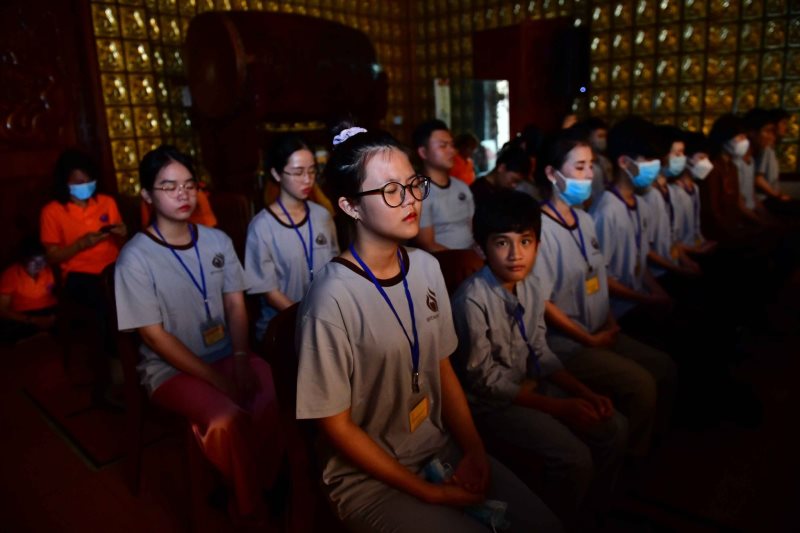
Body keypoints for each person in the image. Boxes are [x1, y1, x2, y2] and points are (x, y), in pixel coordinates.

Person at [295, 125, 561, 533]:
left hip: (436, 447)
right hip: (369, 481)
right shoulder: (330, 297)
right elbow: (336, 426)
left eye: (413, 185)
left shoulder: (426, 267)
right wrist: (429, 493)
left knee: (545, 523)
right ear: (350, 206)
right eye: (391, 190)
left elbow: (442, 367)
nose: (411, 200)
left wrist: (474, 448)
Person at [115, 145, 283, 525]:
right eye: (169, 186)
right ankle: (249, 506)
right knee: (225, 417)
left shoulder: (216, 241)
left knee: (276, 390)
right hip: (170, 370)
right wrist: (217, 379)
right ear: (147, 195)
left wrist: (240, 358)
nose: (183, 194)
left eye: (190, 185)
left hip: (226, 352)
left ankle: (263, 480)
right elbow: (154, 337)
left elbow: (236, 305)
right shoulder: (135, 258)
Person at [452, 189, 628, 524]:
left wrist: (583, 392)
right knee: (575, 458)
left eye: (525, 241)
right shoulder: (471, 300)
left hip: (528, 385)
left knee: (614, 426)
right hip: (491, 405)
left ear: (538, 244)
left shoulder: (531, 285)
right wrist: (559, 407)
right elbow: (485, 382)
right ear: (482, 248)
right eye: (502, 243)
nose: (515, 254)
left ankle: (596, 510)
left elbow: (539, 349)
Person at [533, 131, 675, 459]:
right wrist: (588, 338)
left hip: (600, 329)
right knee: (642, 385)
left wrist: (610, 322)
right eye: (579, 167)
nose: (589, 175)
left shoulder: (584, 219)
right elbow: (543, 303)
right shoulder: (540, 228)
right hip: (568, 343)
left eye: (591, 166)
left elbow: (597, 277)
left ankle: (652, 448)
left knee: (665, 366)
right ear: (552, 174)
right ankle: (632, 463)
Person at [245, 133, 338, 341]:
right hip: (283, 328)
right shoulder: (261, 226)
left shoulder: (322, 215)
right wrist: (308, 318)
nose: (307, 179)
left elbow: (334, 269)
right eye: (298, 172)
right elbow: (270, 293)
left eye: (312, 171)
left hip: (327, 320)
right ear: (276, 174)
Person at [588, 117, 672, 324]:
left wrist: (659, 294)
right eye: (648, 160)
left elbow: (639, 263)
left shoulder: (640, 203)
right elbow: (599, 276)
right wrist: (647, 299)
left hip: (638, 299)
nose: (655, 167)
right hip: (619, 311)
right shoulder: (607, 211)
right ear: (624, 162)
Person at [412, 119, 476, 252]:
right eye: (443, 146)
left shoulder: (462, 187)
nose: (452, 151)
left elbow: (473, 229)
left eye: (452, 145)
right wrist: (463, 259)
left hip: (470, 257)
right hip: (443, 261)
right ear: (423, 152)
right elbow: (427, 244)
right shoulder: (418, 192)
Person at [0, 237, 57, 343]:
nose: (39, 265)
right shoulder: (11, 274)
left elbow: (55, 293)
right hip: (24, 315)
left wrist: (50, 318)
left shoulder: (48, 270)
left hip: (48, 311)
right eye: (34, 261)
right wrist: (33, 320)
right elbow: (2, 310)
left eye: (43, 261)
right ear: (24, 260)